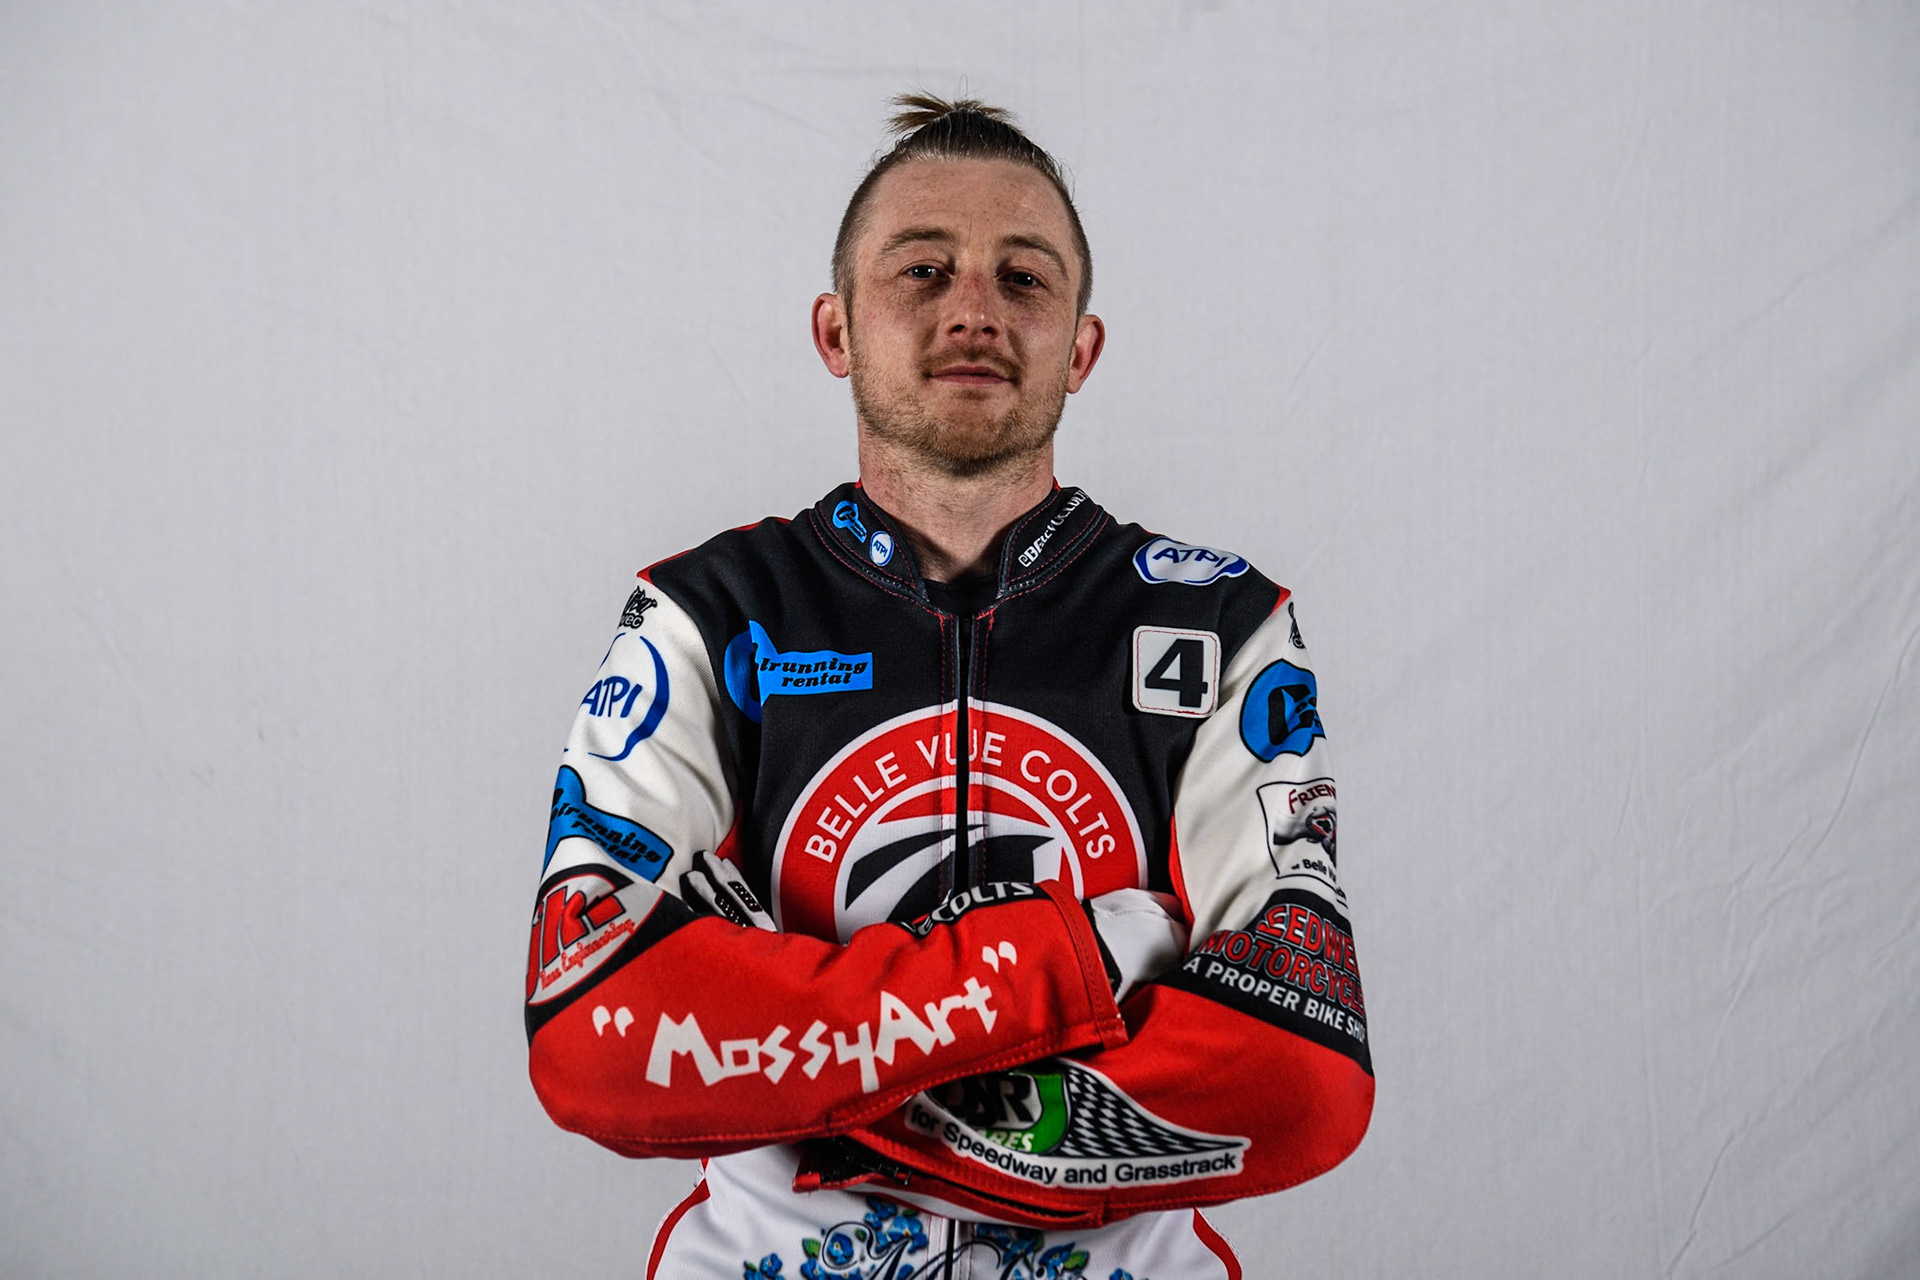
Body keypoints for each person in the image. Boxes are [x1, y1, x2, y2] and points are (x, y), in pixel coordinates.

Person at [526, 95, 1371, 1279]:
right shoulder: (707, 613)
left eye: (1024, 278)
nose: (973, 306)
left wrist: (818, 1107)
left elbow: (1298, 1074)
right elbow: (594, 1029)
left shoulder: (1222, 624)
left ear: (1081, 346)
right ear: (838, 330)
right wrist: (1071, 963)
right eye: (922, 269)